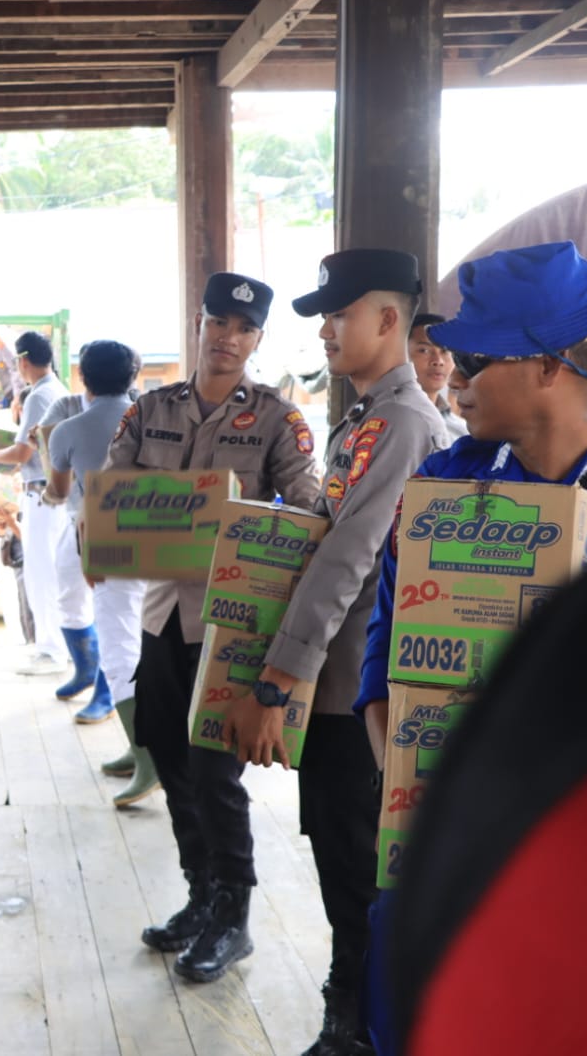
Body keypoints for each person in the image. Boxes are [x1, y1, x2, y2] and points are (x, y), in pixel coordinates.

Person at [353, 241, 587, 1056]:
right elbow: (385, 652)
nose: (453, 375)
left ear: (549, 365)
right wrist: (406, 781)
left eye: (474, 358)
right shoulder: (439, 492)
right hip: (442, 862)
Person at [230, 250, 450, 1056]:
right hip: (338, 682)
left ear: (387, 320)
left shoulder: (399, 424)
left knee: (355, 861)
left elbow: (346, 557)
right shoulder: (363, 420)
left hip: (356, 686)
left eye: (338, 313)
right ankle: (353, 1009)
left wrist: (277, 679)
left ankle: (357, 1023)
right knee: (340, 852)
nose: (325, 330)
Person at [103, 274, 320, 973]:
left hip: (229, 625)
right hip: (161, 615)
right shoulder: (149, 409)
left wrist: (251, 534)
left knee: (213, 768)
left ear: (257, 340)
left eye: (243, 328)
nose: (227, 337)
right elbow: (115, 492)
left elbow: (310, 509)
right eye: (216, 321)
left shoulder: (276, 420)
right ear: (196, 324)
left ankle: (234, 913)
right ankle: (200, 895)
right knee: (167, 753)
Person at [46, 341, 153, 789]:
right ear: (133, 377)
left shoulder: (67, 429)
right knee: (151, 645)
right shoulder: (154, 420)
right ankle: (141, 747)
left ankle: (150, 761)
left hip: (105, 541)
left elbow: (57, 491)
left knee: (119, 648)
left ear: (83, 378)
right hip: (166, 539)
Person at [0, 332, 72, 678]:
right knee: (52, 572)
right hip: (54, 493)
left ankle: (51, 650)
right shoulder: (56, 391)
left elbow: (21, 452)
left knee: (41, 572)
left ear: (24, 361)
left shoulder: (40, 395)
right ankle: (56, 647)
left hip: (43, 494)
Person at [410, 314, 467, 440]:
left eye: (445, 351)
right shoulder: (394, 419)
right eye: (424, 350)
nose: (438, 361)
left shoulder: (463, 431)